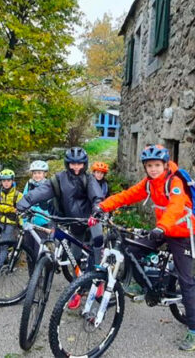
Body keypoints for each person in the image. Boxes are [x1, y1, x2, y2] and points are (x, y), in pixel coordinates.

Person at [97, 144, 195, 351]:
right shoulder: (149, 184)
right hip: (163, 230)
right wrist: (102, 206)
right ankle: (144, 286)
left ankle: (193, 331)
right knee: (133, 250)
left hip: (183, 233)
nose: (153, 169)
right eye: (149, 165)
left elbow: (177, 207)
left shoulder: (175, 182)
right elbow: (128, 195)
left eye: (157, 165)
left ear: (165, 165)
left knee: (186, 282)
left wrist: (162, 227)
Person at [17, 147, 104, 267]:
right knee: (75, 259)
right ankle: (78, 283)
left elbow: (97, 196)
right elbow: (42, 191)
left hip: (91, 218)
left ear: (85, 164)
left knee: (98, 243)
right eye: (73, 164)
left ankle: (99, 273)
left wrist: (97, 208)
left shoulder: (89, 179)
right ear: (67, 164)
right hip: (73, 222)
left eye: (80, 164)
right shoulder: (59, 179)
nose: (76, 167)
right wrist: (24, 202)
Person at [0, 169, 22, 281]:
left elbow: (22, 210)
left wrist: (22, 223)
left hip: (11, 224)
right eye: (4, 181)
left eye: (8, 180)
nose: (6, 183)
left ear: (12, 181)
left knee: (4, 246)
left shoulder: (17, 195)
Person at [22, 160, 53, 256]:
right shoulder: (29, 184)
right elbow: (24, 198)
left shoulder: (49, 186)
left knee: (39, 250)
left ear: (44, 174)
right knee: (29, 250)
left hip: (43, 223)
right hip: (29, 222)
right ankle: (32, 271)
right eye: (34, 173)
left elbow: (51, 204)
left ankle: (42, 269)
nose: (37, 175)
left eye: (39, 173)